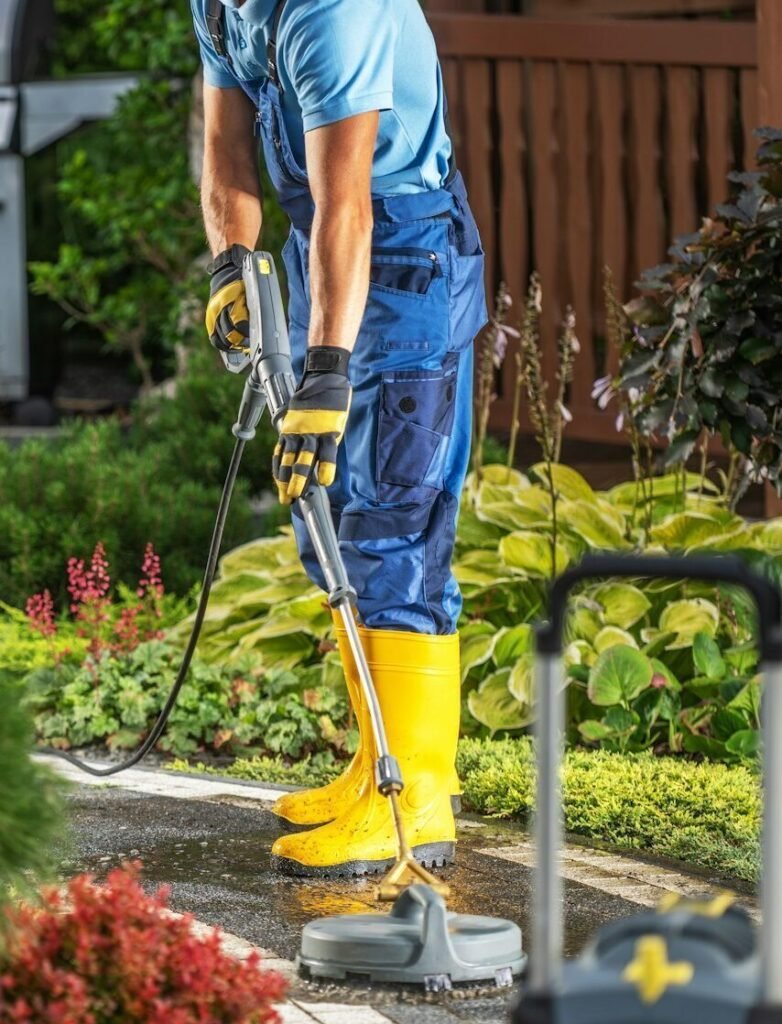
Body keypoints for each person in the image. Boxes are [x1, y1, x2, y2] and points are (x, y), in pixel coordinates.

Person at [192, 0, 488, 877]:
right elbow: (227, 153)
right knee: (330, 517)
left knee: (396, 521)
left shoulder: (334, 9)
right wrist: (229, 265)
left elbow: (349, 204)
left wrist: (326, 370)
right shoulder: (223, 4)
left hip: (396, 248)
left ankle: (418, 802)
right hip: (317, 241)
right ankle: (375, 771)